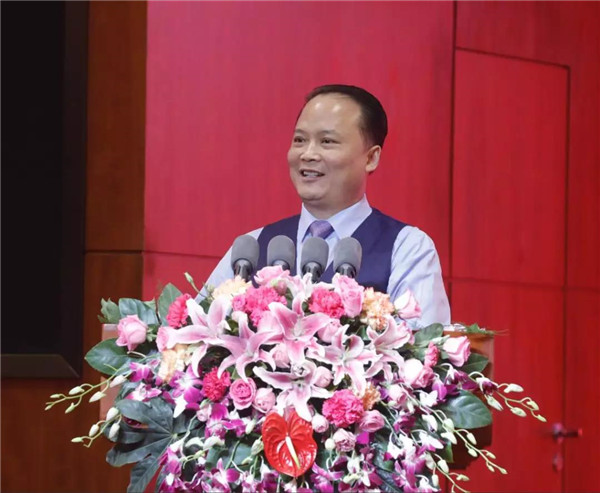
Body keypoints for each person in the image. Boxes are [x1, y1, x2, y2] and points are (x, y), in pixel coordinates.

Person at [202, 84, 450, 327]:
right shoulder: (252, 247)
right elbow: (197, 334)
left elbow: (425, 344)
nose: (308, 154)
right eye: (300, 140)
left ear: (371, 158)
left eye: (327, 141)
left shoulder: (407, 248)